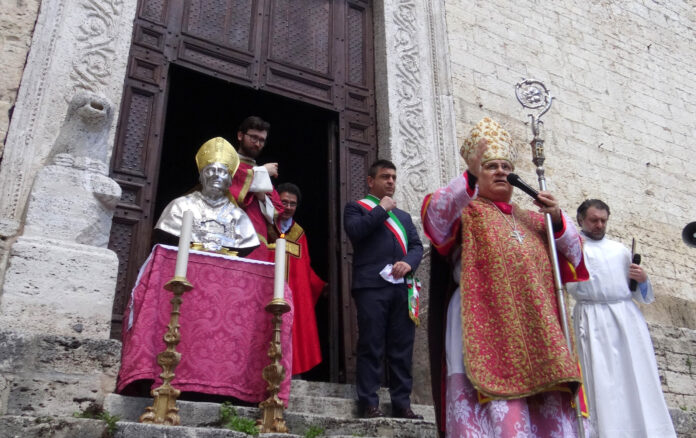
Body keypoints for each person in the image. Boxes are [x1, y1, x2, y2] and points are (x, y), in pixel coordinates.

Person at [421, 117, 590, 437]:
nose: (500, 171)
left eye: (505, 166)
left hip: (537, 324)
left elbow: (576, 258)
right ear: (475, 173)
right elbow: (435, 220)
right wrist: (468, 176)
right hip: (482, 317)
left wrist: (556, 218)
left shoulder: (534, 220)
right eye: (490, 166)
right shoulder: (464, 210)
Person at [567, 199, 676, 438]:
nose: (599, 225)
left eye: (603, 220)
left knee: (637, 375)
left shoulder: (620, 250)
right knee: (602, 381)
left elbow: (641, 296)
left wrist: (643, 279)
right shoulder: (572, 248)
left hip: (626, 319)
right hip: (592, 319)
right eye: (594, 220)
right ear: (581, 220)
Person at [343, 159, 424, 419]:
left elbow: (416, 247)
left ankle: (402, 404)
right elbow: (356, 232)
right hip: (371, 287)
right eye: (385, 177)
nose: (390, 182)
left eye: (393, 178)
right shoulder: (355, 208)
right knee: (371, 345)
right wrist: (381, 209)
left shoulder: (402, 217)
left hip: (401, 287)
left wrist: (408, 263)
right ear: (370, 181)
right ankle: (369, 402)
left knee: (402, 348)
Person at [156, 136, 260, 256]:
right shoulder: (179, 206)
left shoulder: (239, 217)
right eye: (210, 170)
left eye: (222, 172)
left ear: (229, 181)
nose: (216, 175)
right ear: (201, 177)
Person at [274, 182, 327, 376]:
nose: (287, 207)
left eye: (292, 204)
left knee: (292, 332)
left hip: (292, 295)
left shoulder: (299, 234)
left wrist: (321, 286)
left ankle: (290, 373)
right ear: (275, 201)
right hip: (267, 292)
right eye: (284, 202)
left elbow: (305, 268)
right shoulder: (263, 225)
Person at [229, 116, 284, 261]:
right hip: (229, 235)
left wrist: (262, 197)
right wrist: (262, 173)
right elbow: (229, 190)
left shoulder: (260, 171)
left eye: (262, 140)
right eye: (253, 138)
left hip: (257, 242)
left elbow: (278, 210)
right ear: (240, 135)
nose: (258, 143)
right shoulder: (228, 163)